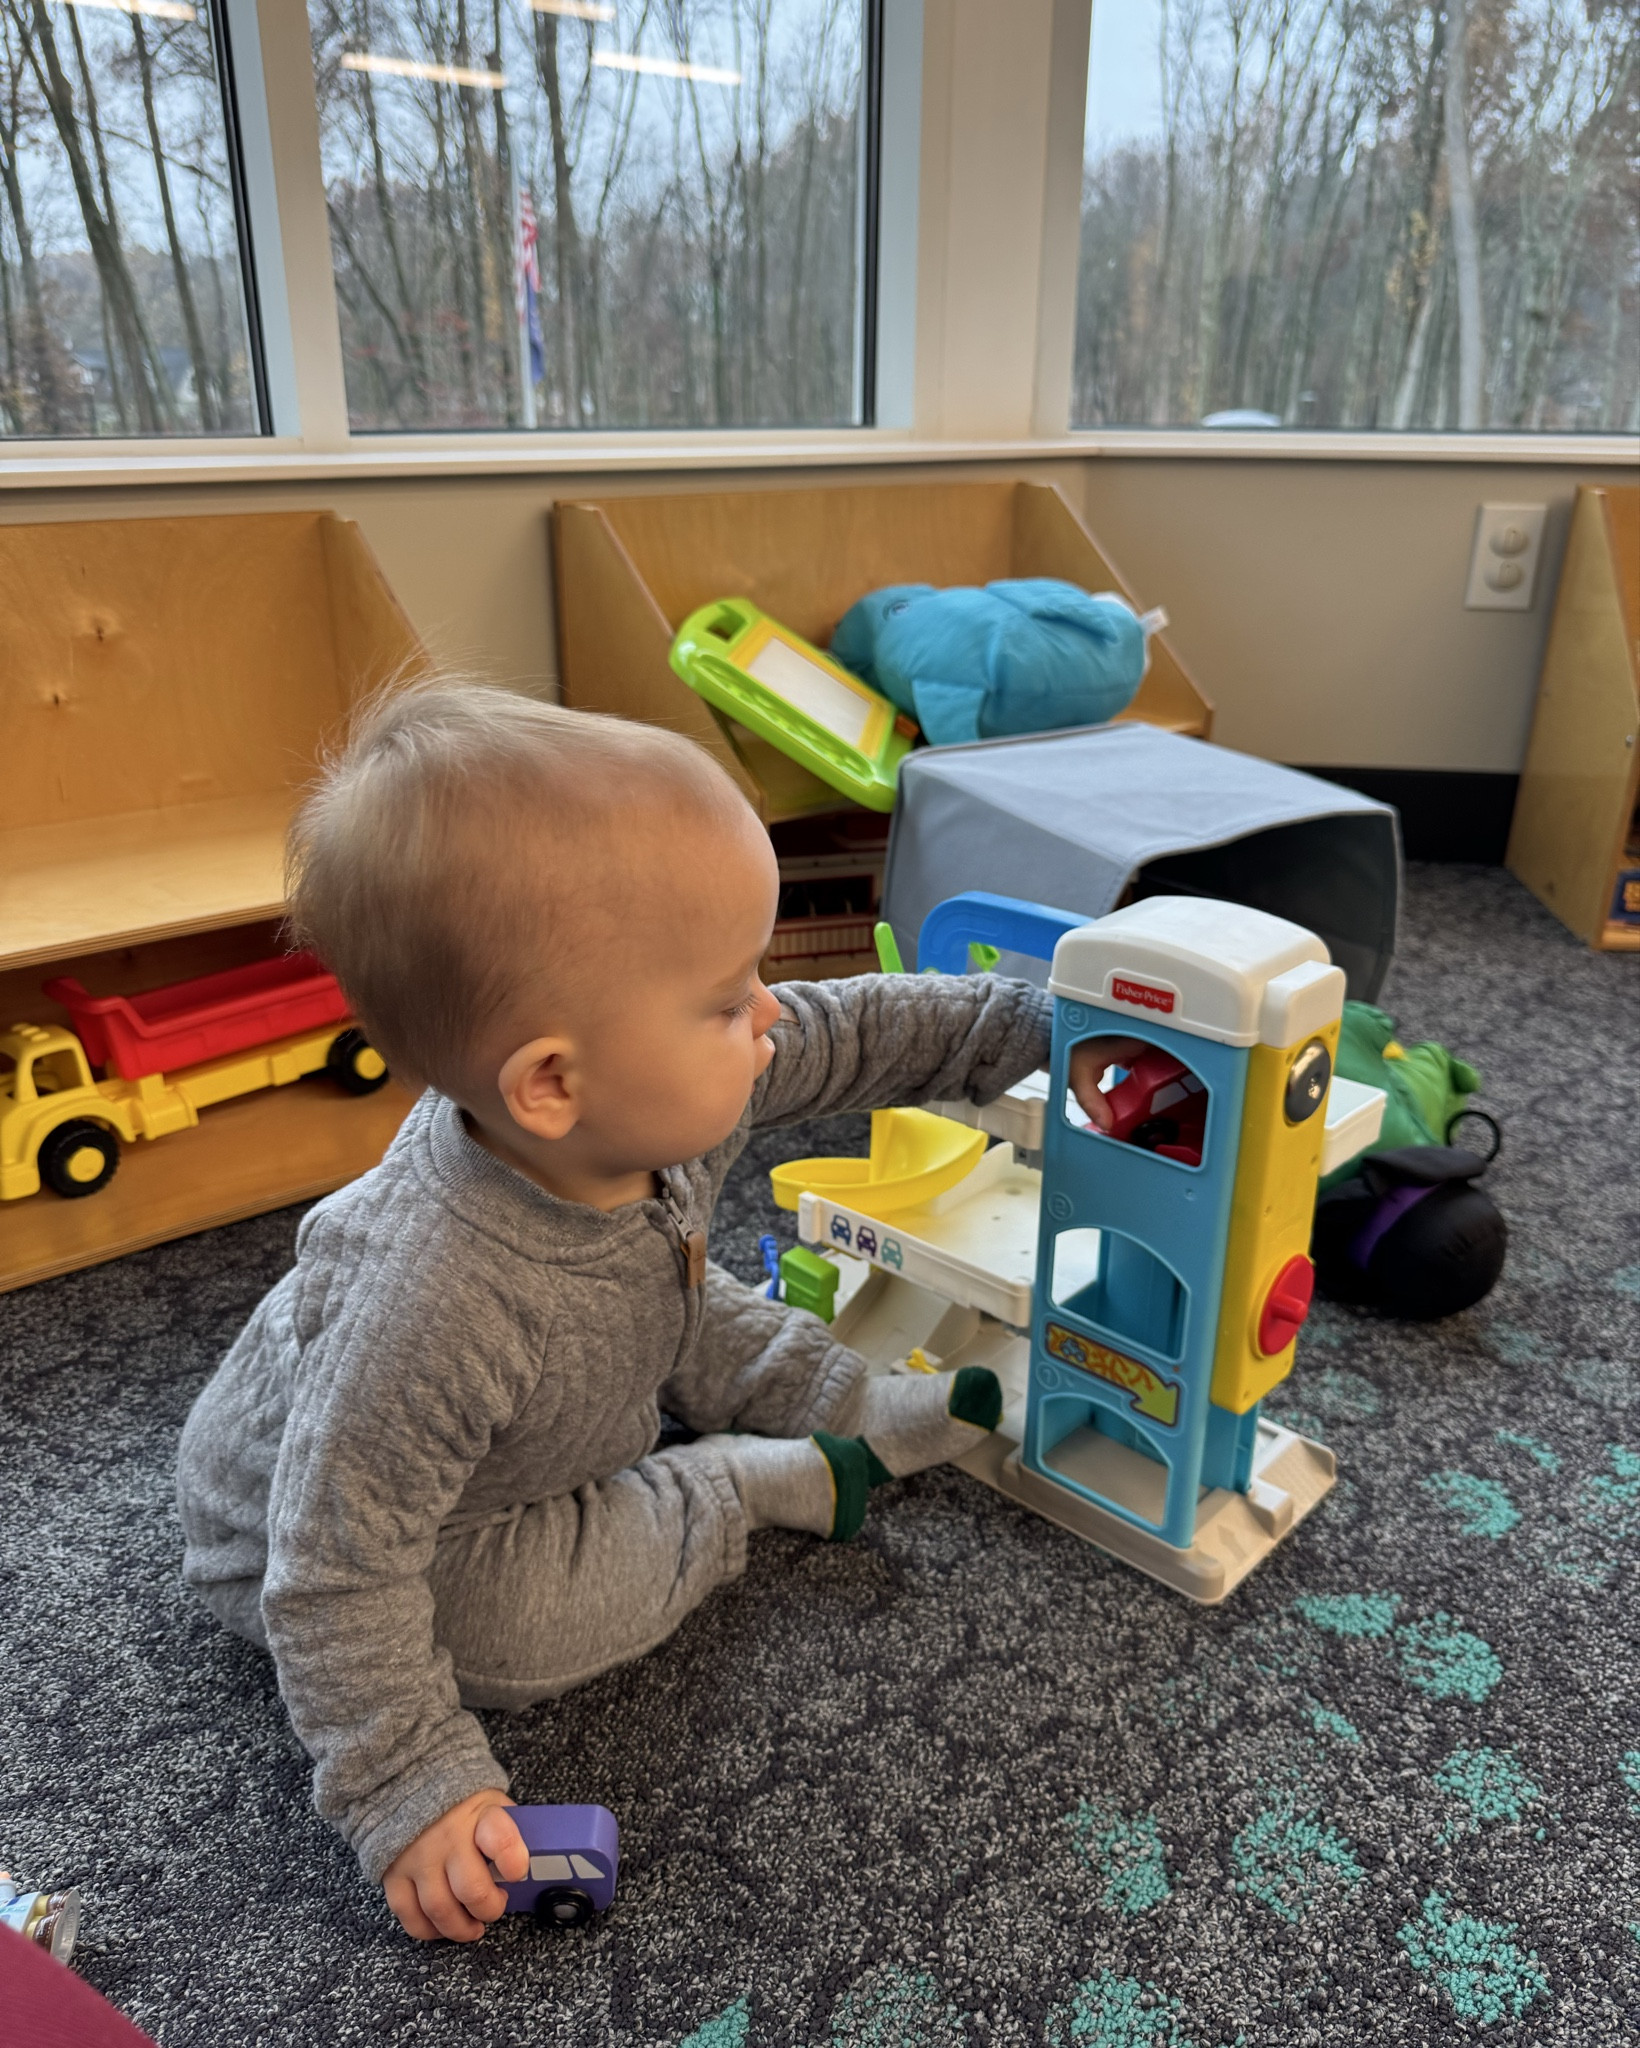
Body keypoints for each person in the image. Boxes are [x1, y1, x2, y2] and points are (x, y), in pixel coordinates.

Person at [175, 682, 1126, 1943]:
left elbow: (849, 1030)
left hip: (600, 1336)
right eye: (729, 998)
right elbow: (338, 1572)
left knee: (679, 1295)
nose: (769, 1014)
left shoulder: (641, 1091)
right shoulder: (428, 1301)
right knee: (516, 1623)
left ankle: (834, 1400)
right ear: (554, 1080)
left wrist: (1030, 1030)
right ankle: (736, 1483)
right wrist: (405, 1785)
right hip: (341, 1537)